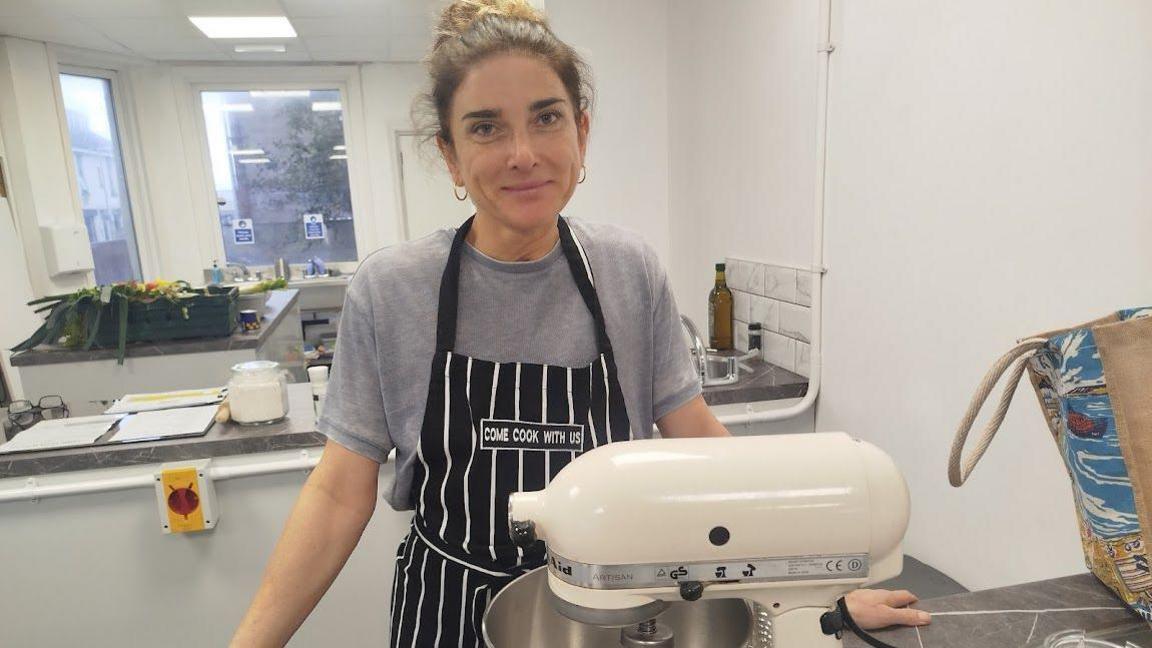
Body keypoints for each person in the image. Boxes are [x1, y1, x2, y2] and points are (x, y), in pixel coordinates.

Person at [231, 1, 932, 645]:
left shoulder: (628, 273)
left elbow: (708, 462)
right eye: (486, 127)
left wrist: (823, 592)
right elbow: (337, 493)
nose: (523, 153)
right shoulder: (393, 289)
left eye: (546, 118)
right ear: (449, 154)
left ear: (582, 132)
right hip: (445, 608)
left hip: (610, 612)